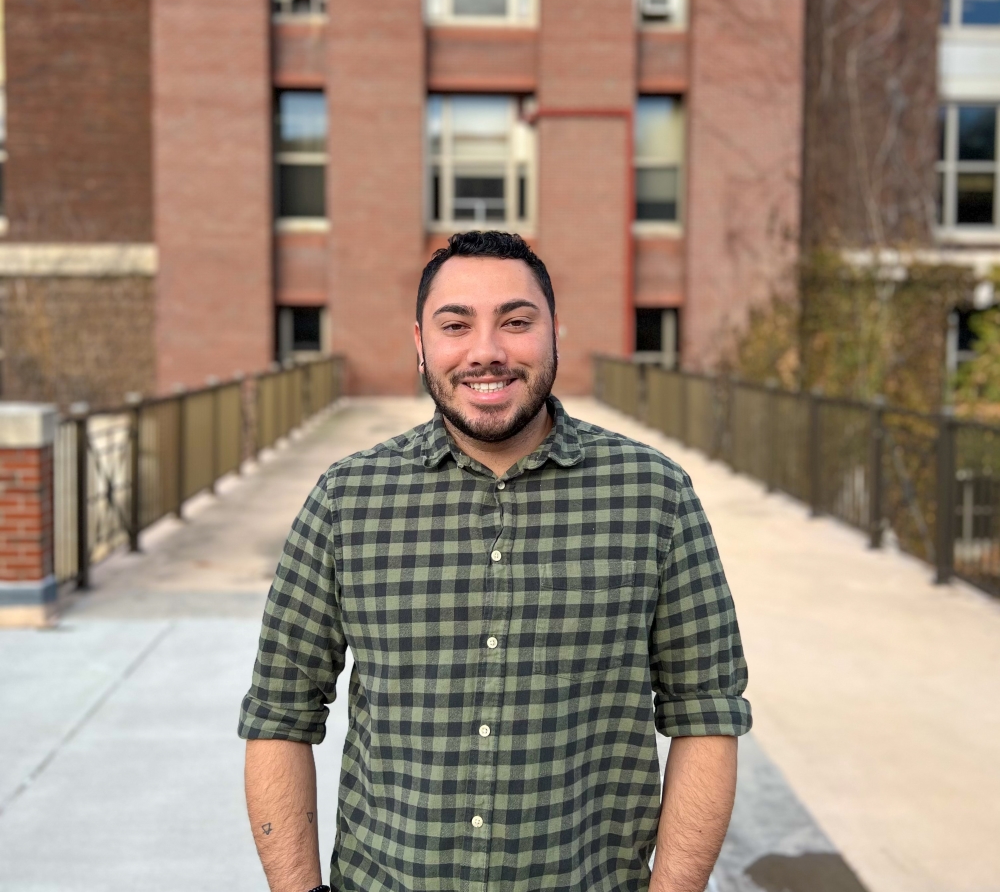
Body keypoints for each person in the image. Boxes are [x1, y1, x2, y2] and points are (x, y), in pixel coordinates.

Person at [239, 230, 751, 892]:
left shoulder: (654, 495)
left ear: (555, 333)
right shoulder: (346, 499)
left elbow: (706, 710)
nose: (487, 351)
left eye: (516, 321)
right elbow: (280, 715)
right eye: (456, 324)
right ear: (420, 343)